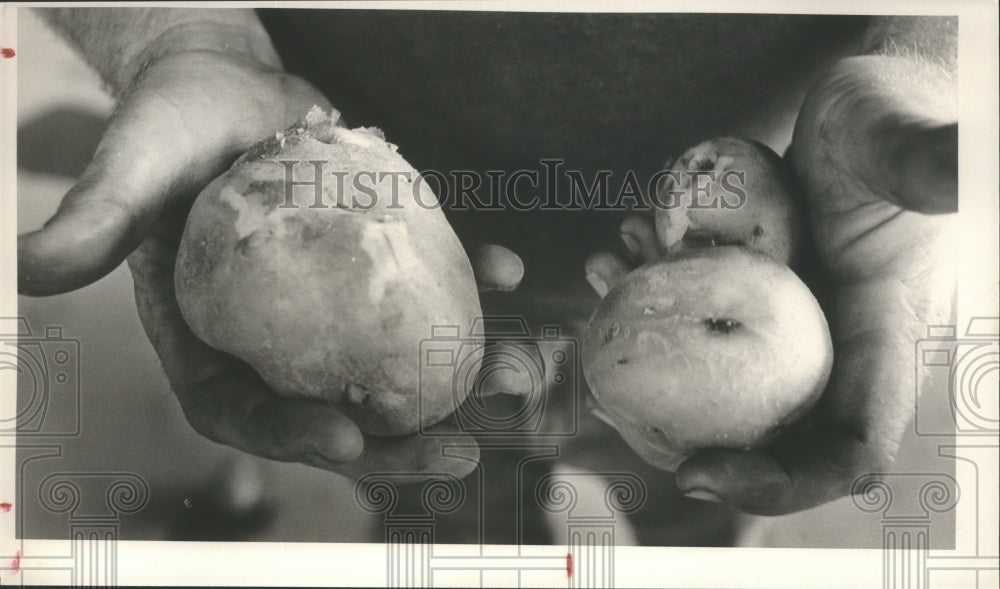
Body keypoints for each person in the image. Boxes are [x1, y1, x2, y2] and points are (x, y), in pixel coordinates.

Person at [19, 7, 957, 525]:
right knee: (443, 487)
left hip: (756, 212)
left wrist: (927, 54)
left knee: (698, 488)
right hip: (314, 146)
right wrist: (175, 34)